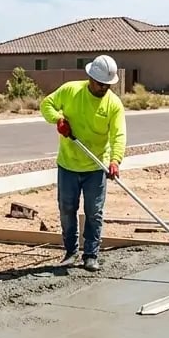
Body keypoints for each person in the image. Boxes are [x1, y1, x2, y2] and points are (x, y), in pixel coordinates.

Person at [40, 54, 126, 271]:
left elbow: (118, 135)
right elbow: (46, 104)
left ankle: (91, 255)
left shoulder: (113, 104)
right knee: (67, 209)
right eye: (100, 83)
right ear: (90, 78)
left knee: (94, 212)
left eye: (108, 84)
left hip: (96, 167)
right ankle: (71, 252)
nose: (104, 88)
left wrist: (115, 160)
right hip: (68, 164)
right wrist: (58, 120)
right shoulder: (71, 90)